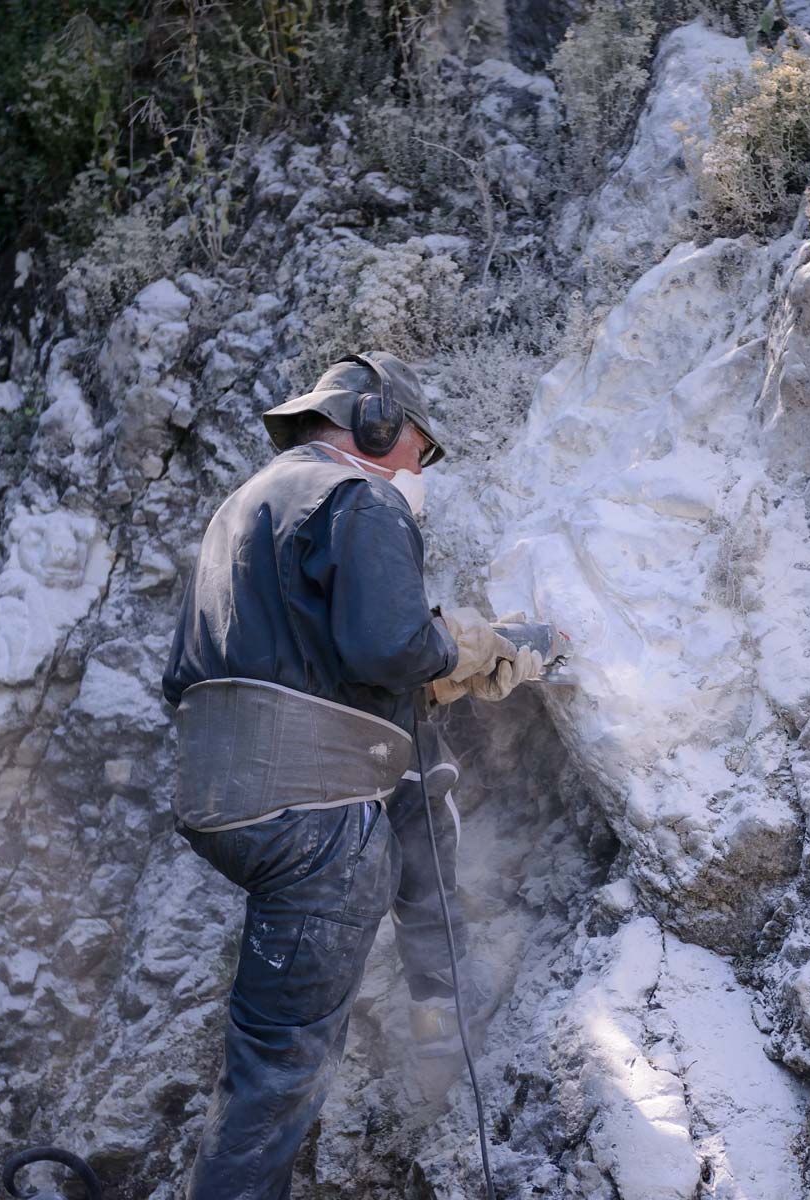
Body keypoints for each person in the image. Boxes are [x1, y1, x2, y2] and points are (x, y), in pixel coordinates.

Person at [160, 350, 545, 1199]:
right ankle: (446, 1027)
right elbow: (388, 646)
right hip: (313, 810)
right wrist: (469, 644)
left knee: (264, 1055)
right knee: (280, 1072)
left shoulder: (245, 505)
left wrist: (442, 668)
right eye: (418, 447)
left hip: (223, 800)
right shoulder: (360, 496)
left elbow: (317, 662)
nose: (419, 468)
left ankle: (441, 1018)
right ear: (376, 422)